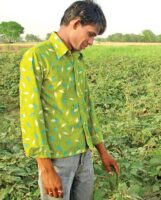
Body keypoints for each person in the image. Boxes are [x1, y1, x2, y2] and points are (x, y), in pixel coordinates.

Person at [19, 1, 119, 199]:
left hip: (85, 156)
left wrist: (102, 151)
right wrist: (47, 169)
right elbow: (31, 115)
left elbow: (87, 109)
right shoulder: (38, 57)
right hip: (57, 160)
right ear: (75, 23)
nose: (91, 42)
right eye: (90, 34)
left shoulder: (77, 59)